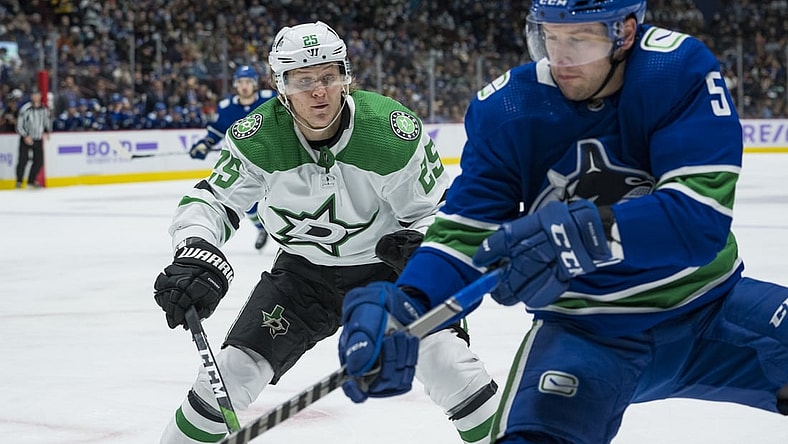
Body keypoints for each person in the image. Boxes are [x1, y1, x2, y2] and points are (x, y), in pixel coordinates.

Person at [337, 1, 788, 443]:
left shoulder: (674, 71)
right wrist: (409, 302)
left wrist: (578, 235)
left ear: (626, 33)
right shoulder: (508, 107)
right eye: (549, 37)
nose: (561, 57)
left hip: (711, 307)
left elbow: (697, 219)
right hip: (584, 333)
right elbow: (465, 233)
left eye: (580, 39)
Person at [153, 21, 500, 444]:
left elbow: (435, 210)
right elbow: (212, 200)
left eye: (328, 76)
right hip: (302, 278)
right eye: (303, 80)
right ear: (280, 86)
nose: (319, 91)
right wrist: (195, 250)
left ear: (345, 77)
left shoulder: (390, 132)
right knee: (227, 378)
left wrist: (424, 245)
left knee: (451, 367)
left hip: (388, 276)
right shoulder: (257, 139)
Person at [189, 65, 277, 250]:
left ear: (255, 84)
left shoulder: (270, 100)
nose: (244, 86)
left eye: (248, 82)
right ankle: (261, 228)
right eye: (241, 82)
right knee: (246, 200)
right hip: (245, 163)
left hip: (274, 159)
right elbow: (216, 131)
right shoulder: (226, 108)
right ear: (236, 85)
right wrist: (204, 144)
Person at [15, 89, 51, 189]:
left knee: (39, 161)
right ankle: (19, 181)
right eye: (34, 95)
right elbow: (19, 125)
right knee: (23, 160)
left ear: (40, 96)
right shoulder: (26, 109)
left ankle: (31, 180)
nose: (35, 97)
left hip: (38, 138)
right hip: (26, 138)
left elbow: (46, 122)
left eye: (37, 94)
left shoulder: (44, 110)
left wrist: (48, 131)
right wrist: (25, 135)